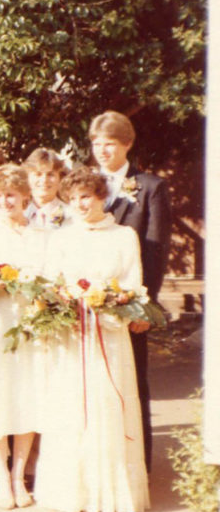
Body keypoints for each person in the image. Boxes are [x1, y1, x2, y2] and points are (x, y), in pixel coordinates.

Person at [36, 167, 149, 512]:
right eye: (72, 199)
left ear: (101, 197)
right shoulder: (61, 238)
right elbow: (50, 283)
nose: (80, 204)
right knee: (72, 408)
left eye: (86, 196)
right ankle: (71, 491)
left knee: (109, 405)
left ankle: (111, 492)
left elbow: (133, 282)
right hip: (73, 335)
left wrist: (112, 303)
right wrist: (66, 302)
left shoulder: (124, 235)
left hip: (110, 334)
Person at [89, 110, 171, 472]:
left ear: (127, 144)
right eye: (96, 143)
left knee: (133, 381)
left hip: (128, 303)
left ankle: (138, 466)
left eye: (109, 143)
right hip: (89, 305)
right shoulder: (86, 184)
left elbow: (155, 250)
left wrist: (143, 307)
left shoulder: (151, 187)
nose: (102, 150)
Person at [0, 165, 43, 510]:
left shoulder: (39, 236)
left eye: (12, 194)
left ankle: (20, 475)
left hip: (32, 324)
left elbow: (48, 278)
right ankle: (1, 476)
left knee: (27, 397)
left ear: (24, 197)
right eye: (0, 194)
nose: (5, 201)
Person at [23, 148, 71, 229]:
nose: (44, 180)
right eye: (38, 174)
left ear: (59, 178)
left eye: (50, 174)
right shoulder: (20, 213)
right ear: (28, 178)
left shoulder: (69, 214)